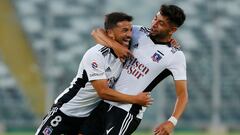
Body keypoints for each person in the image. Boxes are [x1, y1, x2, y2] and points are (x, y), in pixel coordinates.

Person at [35, 12, 153, 135]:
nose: (129, 34)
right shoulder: (96, 55)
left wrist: (169, 40)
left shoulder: (129, 51)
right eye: (124, 31)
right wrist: (134, 99)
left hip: (89, 116)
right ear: (111, 33)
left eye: (130, 30)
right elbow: (103, 92)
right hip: (66, 111)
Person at [82, 4, 188, 135]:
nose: (154, 24)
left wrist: (172, 121)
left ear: (172, 30)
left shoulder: (175, 56)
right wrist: (116, 46)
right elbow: (97, 33)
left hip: (127, 110)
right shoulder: (138, 32)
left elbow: (182, 94)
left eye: (161, 23)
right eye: (155, 18)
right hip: (103, 101)